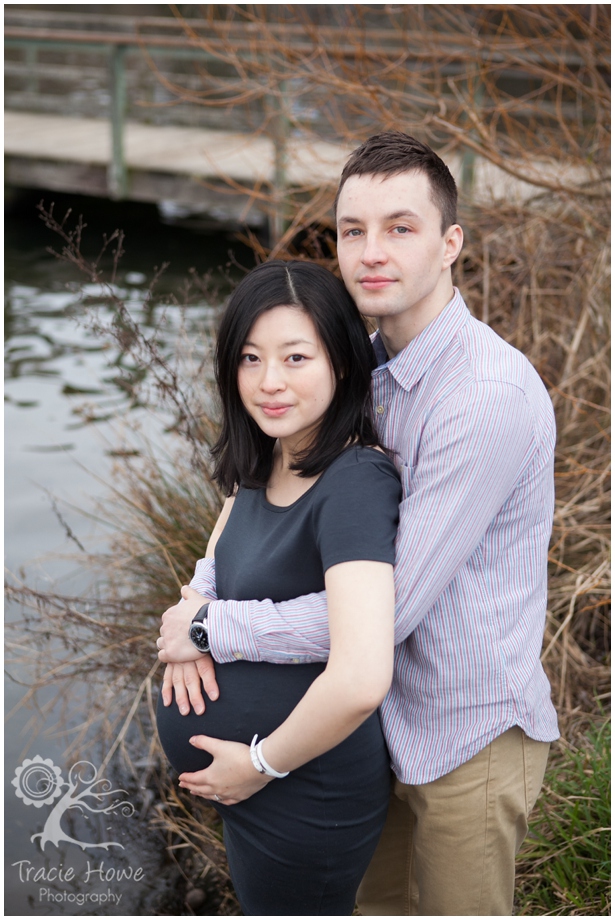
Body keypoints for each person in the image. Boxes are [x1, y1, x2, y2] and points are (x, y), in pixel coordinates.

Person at [159, 132, 560, 916]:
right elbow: (254, 479)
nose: (371, 252)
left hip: (461, 732)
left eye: (399, 228)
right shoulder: (355, 367)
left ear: (449, 244)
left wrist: (211, 629)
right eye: (352, 231)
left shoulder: (482, 398)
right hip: (365, 730)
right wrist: (194, 591)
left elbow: (381, 618)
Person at [155, 258, 402, 916]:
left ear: (342, 363)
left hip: (301, 788)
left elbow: (359, 674)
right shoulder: (264, 455)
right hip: (249, 789)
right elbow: (209, 572)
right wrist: (187, 627)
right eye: (249, 358)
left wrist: (259, 764)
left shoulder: (353, 482)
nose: (268, 383)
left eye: (295, 358)